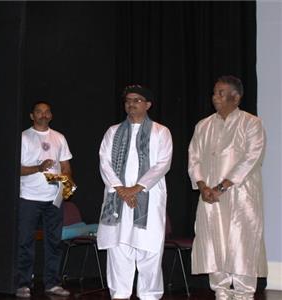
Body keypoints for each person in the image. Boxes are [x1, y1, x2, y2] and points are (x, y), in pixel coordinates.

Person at [188, 75, 267, 300]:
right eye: (214, 93)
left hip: (240, 196)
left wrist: (221, 187)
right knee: (213, 242)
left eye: (221, 93)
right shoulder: (203, 125)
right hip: (209, 197)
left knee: (242, 243)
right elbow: (194, 159)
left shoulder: (251, 123)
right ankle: (221, 292)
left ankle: (243, 294)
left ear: (236, 96)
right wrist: (203, 187)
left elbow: (251, 158)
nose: (215, 97)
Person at [96, 85, 173, 300]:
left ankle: (149, 295)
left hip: (149, 197)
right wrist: (121, 189)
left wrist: (136, 189)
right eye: (128, 100)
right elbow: (105, 162)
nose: (131, 103)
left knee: (149, 249)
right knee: (119, 248)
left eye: (137, 100)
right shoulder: (113, 131)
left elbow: (163, 164)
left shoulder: (161, 131)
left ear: (148, 104)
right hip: (117, 198)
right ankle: (119, 294)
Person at [16, 101, 73, 298]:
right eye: (39, 112)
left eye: (47, 111)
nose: (43, 115)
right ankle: (23, 283)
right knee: (25, 242)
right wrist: (38, 168)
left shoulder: (59, 138)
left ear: (51, 115)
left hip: (54, 199)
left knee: (54, 242)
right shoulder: (23, 137)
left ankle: (52, 283)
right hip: (29, 197)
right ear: (32, 115)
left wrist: (66, 181)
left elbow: (65, 165)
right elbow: (17, 170)